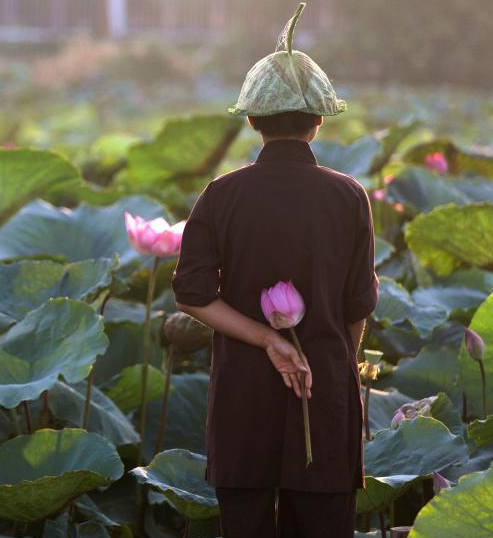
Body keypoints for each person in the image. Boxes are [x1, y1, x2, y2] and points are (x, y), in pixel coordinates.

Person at [170, 3, 378, 537]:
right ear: (318, 120)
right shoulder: (349, 197)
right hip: (324, 387)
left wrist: (266, 340)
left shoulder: (221, 196)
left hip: (244, 395)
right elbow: (359, 304)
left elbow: (191, 293)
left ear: (253, 121)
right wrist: (332, 367)